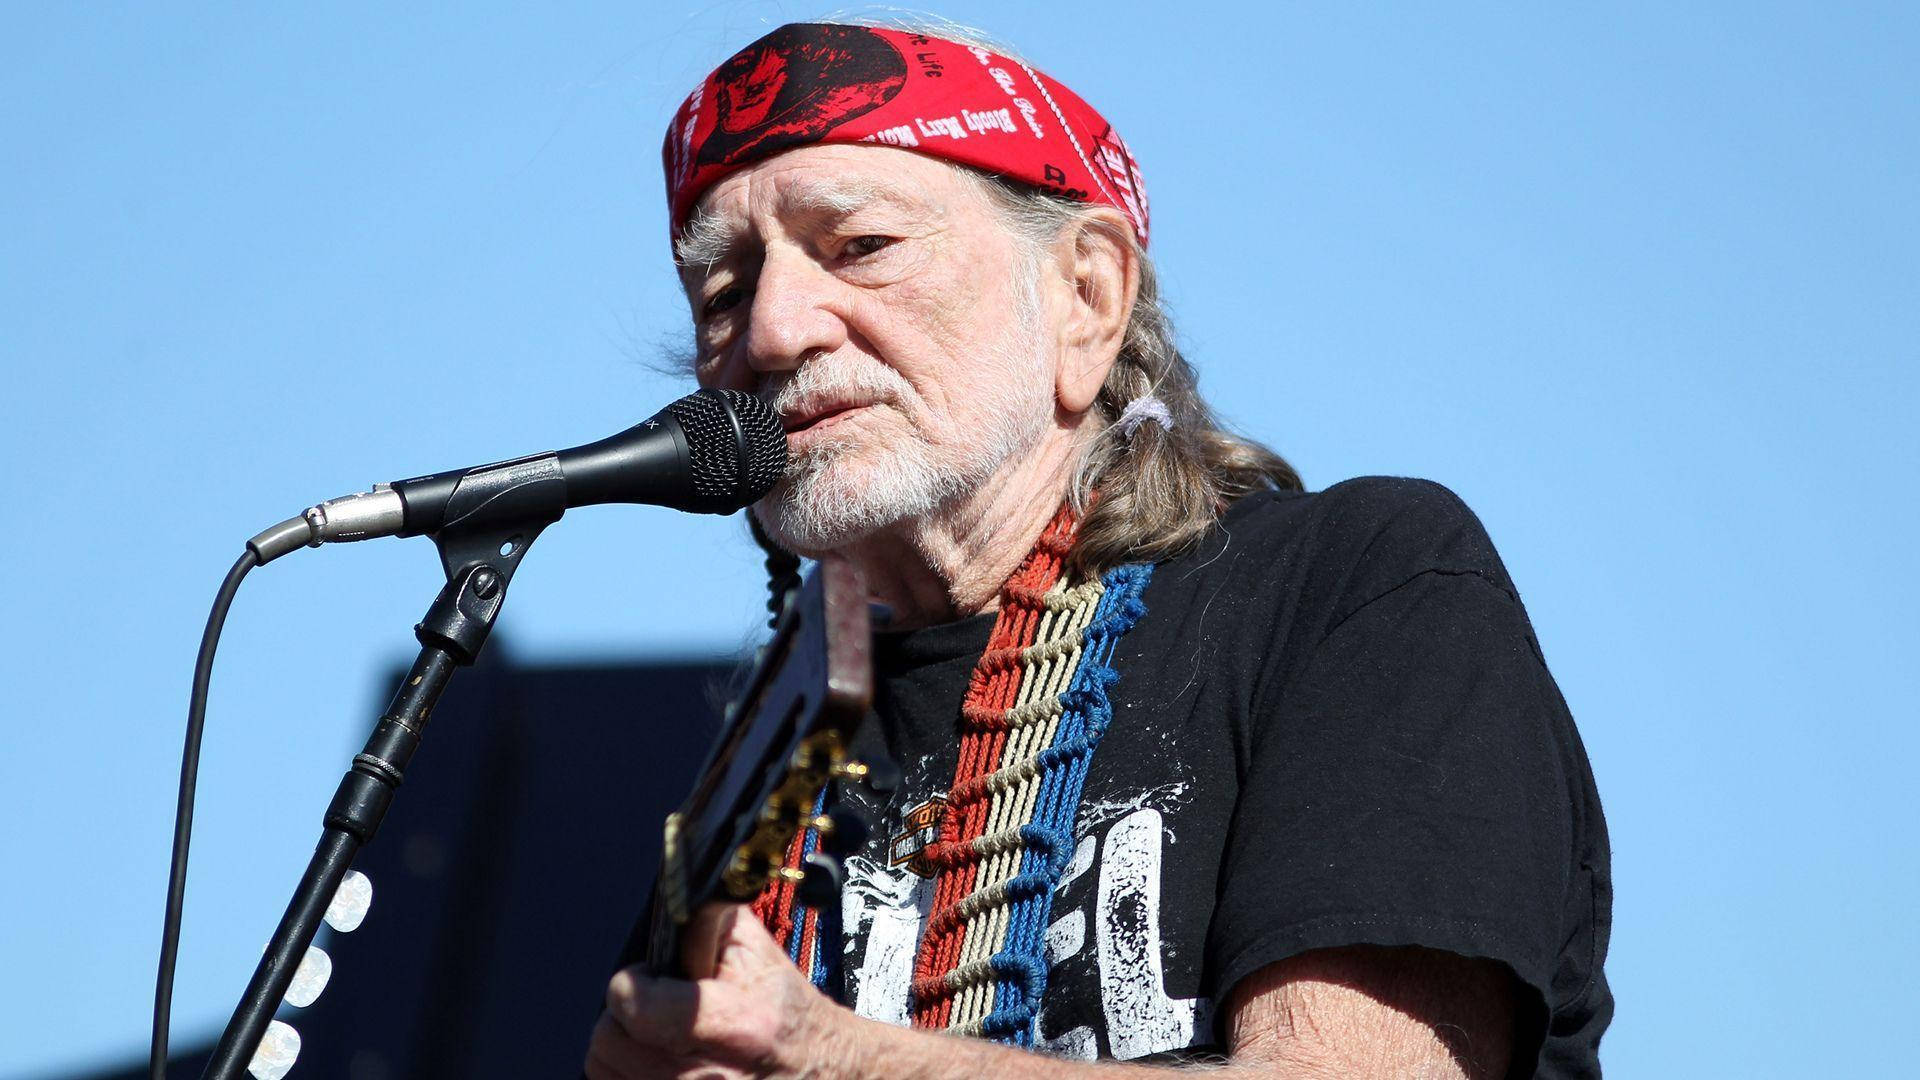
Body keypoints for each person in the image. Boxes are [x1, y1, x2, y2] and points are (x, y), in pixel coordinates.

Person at [586, 19, 1611, 1080]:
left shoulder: (1360, 586)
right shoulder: (749, 793)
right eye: (724, 293)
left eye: (861, 247)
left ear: (1088, 297)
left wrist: (833, 1059)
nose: (772, 332)